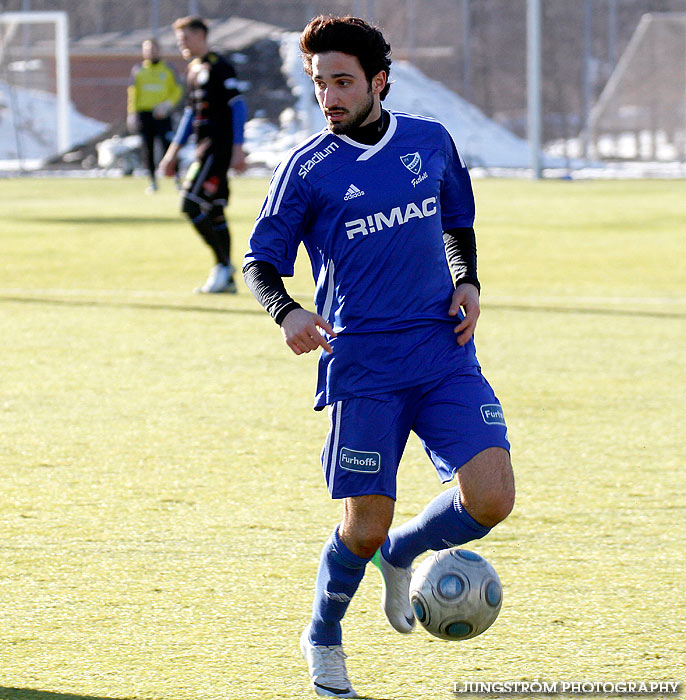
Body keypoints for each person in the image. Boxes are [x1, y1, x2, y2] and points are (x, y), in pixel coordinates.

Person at [243, 15, 515, 699]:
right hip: (363, 366)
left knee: (492, 497)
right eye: (319, 84)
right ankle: (324, 637)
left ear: (379, 81)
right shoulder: (307, 170)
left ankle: (406, 551)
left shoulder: (429, 141)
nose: (329, 98)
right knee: (362, 529)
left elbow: (457, 222)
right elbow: (260, 262)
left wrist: (468, 281)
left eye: (342, 82)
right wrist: (289, 311)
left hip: (443, 350)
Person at [159, 16, 248, 294]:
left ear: (200, 36)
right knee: (214, 209)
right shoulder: (193, 69)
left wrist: (237, 148)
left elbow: (238, 106)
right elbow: (189, 114)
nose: (181, 44)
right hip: (202, 150)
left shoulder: (220, 66)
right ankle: (227, 277)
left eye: (184, 38)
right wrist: (173, 151)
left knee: (190, 205)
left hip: (217, 149)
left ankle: (223, 266)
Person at [126, 38, 183, 193]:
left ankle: (178, 180)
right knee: (147, 149)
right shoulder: (138, 70)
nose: (150, 52)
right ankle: (152, 181)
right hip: (145, 114)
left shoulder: (168, 69)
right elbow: (133, 93)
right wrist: (132, 113)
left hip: (163, 114)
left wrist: (168, 105)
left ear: (159, 50)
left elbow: (177, 90)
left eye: (153, 49)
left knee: (168, 148)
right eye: (147, 49)